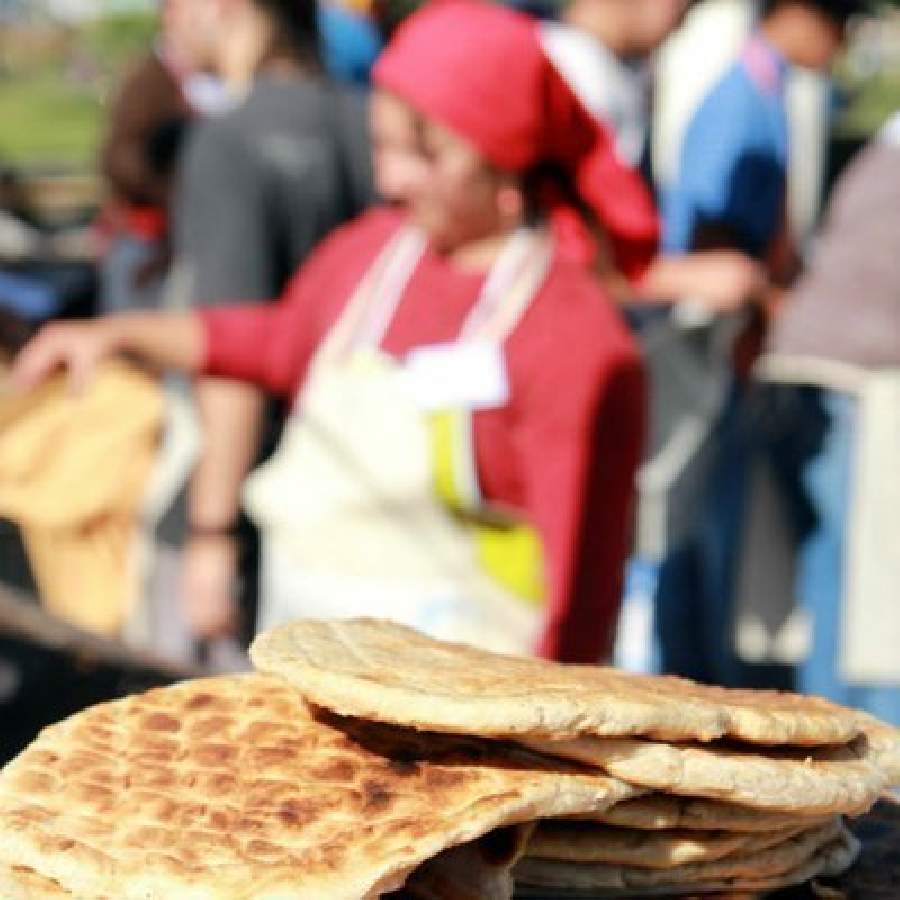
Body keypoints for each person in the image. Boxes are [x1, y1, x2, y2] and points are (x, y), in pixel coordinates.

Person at [12, 0, 650, 664]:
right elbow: (279, 341)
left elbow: (582, 591)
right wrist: (120, 335)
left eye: (425, 155)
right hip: (309, 653)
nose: (389, 178)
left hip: (462, 702)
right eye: (383, 145)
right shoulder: (375, 252)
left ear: (506, 163)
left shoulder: (576, 338)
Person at [654, 0, 862, 686]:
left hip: (737, 342)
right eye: (837, 24)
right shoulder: (741, 99)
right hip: (716, 347)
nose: (840, 43)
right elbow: (716, 238)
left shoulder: (768, 88)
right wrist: (770, 313)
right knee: (704, 538)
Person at [162, 0, 374, 652]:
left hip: (261, 501)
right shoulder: (370, 120)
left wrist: (210, 533)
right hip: (358, 495)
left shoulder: (227, 141)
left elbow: (235, 350)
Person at [758, 113, 900, 724]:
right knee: (867, 602)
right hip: (854, 387)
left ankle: (829, 756)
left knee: (828, 579)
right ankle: (868, 780)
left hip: (803, 369)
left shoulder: (881, 147)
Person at [542, 0, 767, 312]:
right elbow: (562, 258)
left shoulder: (602, 69)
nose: (685, 8)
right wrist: (681, 280)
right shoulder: (568, 73)